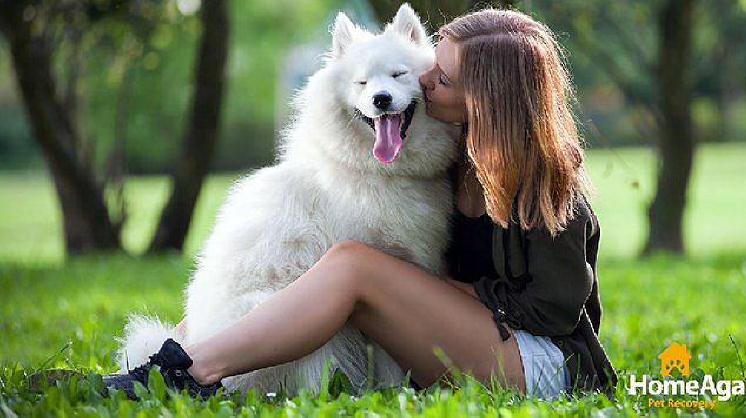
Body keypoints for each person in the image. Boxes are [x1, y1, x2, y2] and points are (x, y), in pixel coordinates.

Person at [103, 8, 617, 401]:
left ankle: (192, 373)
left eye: (442, 78)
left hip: (544, 363)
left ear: (490, 95)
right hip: (482, 339)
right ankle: (166, 363)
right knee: (341, 264)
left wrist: (436, 291)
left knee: (354, 265)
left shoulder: (546, 173)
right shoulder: (453, 158)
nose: (423, 82)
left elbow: (555, 306)